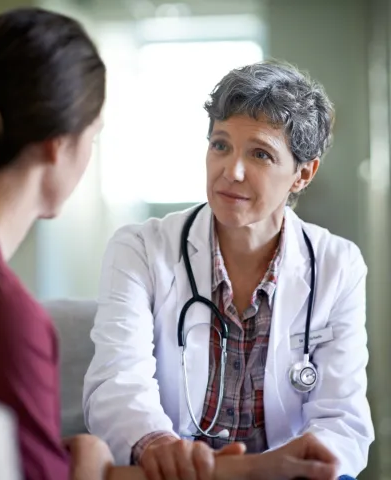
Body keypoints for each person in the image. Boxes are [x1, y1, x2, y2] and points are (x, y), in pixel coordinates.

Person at [0, 8, 340, 480]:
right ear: (60, 146)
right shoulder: (4, 315)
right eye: (93, 137)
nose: (232, 170)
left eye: (259, 154)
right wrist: (91, 464)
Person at [83, 60, 374, 480]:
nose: (231, 171)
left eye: (260, 154)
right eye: (220, 145)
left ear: (302, 174)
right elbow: (116, 385)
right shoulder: (141, 250)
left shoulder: (337, 265)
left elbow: (341, 419)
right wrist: (158, 445)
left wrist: (316, 464)